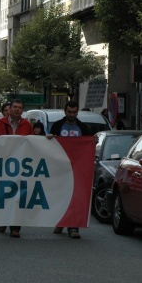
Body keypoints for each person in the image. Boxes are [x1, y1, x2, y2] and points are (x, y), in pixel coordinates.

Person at [47, 100, 92, 239]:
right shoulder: (57, 125)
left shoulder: (83, 127)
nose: (72, 114)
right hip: (61, 166)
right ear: (65, 111)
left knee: (75, 196)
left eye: (74, 112)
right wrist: (49, 138)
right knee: (61, 195)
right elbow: (50, 145)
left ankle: (73, 227)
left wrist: (92, 141)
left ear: (77, 112)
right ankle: (60, 222)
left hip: (77, 167)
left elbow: (87, 145)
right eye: (69, 112)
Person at [0, 99, 33, 238]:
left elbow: (33, 143)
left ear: (22, 110)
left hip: (20, 165)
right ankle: (3, 219)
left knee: (18, 194)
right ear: (9, 109)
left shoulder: (27, 125)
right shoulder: (0, 123)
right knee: (3, 193)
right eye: (14, 107)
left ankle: (15, 226)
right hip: (2, 164)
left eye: (19, 107)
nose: (17, 109)